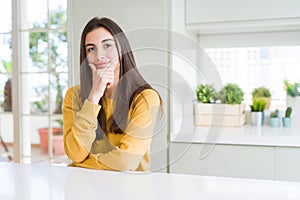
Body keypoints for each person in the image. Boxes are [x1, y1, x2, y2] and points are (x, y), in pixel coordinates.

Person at [63, 17, 163, 171]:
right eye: (91, 49)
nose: (99, 56)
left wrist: (81, 165)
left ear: (122, 49)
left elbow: (126, 162)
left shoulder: (145, 98)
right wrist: (93, 97)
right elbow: (75, 153)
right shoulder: (74, 95)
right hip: (85, 188)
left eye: (107, 45)